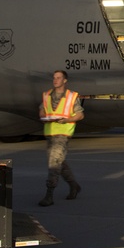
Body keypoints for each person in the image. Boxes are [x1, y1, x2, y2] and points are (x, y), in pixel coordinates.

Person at [38, 70, 84, 207]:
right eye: (54, 78)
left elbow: (80, 115)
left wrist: (67, 120)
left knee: (53, 165)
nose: (55, 80)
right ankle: (74, 185)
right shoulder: (47, 95)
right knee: (59, 163)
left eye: (58, 78)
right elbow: (42, 110)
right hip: (50, 134)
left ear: (65, 80)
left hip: (63, 134)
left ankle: (49, 195)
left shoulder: (71, 96)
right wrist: (43, 116)